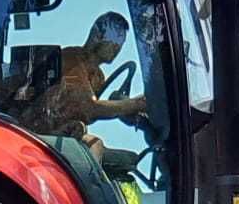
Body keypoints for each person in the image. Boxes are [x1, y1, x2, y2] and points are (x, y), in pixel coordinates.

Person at [17, 11, 150, 160]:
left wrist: (125, 110)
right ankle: (95, 183)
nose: (117, 48)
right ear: (97, 36)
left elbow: (85, 113)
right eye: (114, 40)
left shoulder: (98, 77)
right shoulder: (71, 59)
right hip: (36, 130)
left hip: (65, 131)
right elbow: (90, 108)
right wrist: (137, 104)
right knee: (95, 144)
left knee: (126, 159)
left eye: (120, 43)